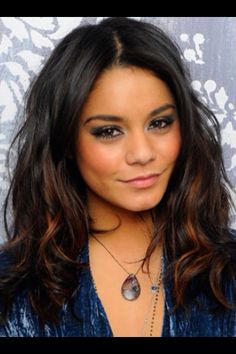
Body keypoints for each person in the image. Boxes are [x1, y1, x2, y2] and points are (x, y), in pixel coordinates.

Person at [0, 17, 236, 337]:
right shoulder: (12, 290)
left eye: (160, 123)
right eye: (109, 131)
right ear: (67, 140)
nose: (141, 153)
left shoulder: (227, 272)